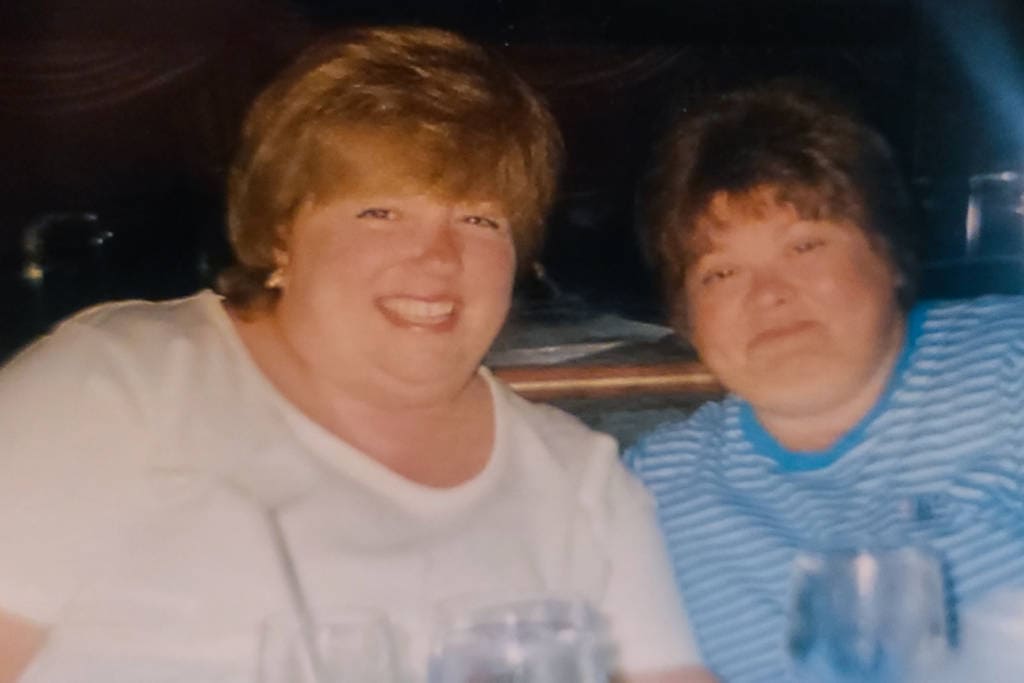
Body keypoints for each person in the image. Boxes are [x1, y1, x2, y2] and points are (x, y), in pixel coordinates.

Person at [0, 26, 714, 683]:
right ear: (283, 233)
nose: (437, 255)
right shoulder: (119, 384)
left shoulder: (579, 483)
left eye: (478, 219)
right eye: (380, 210)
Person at [625, 80, 1024, 682]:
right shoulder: (648, 490)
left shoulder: (1007, 365)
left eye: (805, 244)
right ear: (684, 318)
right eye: (721, 272)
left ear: (890, 255)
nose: (768, 294)